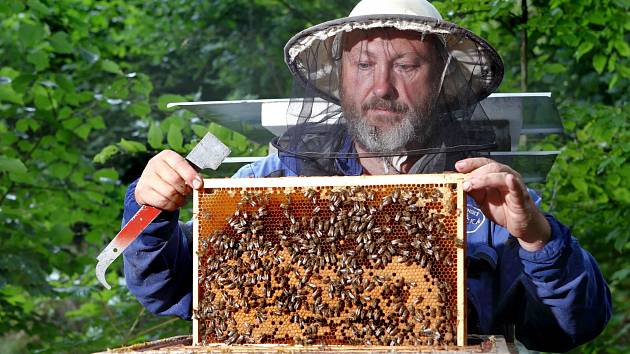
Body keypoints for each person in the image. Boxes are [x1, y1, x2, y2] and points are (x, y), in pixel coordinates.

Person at [122, 0, 611, 351]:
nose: (382, 87)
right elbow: (166, 288)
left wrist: (537, 239)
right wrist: (153, 210)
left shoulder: (488, 199)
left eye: (406, 65)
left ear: (441, 82)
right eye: (363, 64)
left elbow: (573, 327)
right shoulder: (274, 183)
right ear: (340, 79)